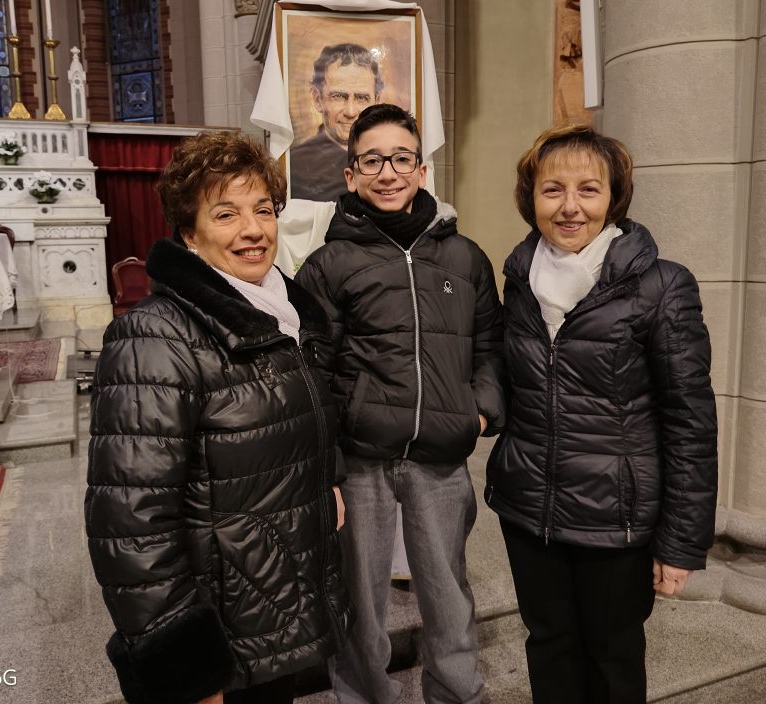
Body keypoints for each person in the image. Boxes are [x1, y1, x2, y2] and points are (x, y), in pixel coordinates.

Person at [85, 132, 351, 704]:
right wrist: (187, 669)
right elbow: (131, 519)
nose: (253, 230)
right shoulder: (155, 336)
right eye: (226, 214)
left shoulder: (283, 312)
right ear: (189, 233)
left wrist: (327, 478)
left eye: (263, 210)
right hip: (218, 629)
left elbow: (304, 418)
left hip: (273, 601)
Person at [485, 124, 718, 704]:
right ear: (531, 198)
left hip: (617, 517)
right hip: (529, 508)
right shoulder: (518, 281)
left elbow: (690, 422)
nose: (570, 207)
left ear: (613, 198)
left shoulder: (662, 285)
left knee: (612, 657)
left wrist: (681, 542)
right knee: (548, 645)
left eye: (588, 189)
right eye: (553, 190)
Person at [296, 103, 505, 704]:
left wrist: (478, 411)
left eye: (401, 158)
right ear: (351, 174)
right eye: (372, 160)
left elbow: (490, 346)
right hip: (361, 459)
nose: (388, 172)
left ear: (421, 169)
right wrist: (330, 465)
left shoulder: (464, 258)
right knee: (360, 601)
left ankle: (457, 694)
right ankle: (365, 696)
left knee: (447, 592)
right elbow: (313, 371)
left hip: (440, 456)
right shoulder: (328, 265)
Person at [289, 43, 384, 202]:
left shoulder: (395, 159)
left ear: (377, 101)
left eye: (361, 98)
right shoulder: (294, 166)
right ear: (318, 99)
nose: (350, 112)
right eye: (339, 97)